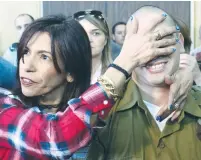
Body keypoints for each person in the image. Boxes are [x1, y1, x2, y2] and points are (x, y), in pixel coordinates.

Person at [0, 14, 182, 159]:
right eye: (25, 52)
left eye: (44, 57)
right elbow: (58, 137)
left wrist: (182, 74)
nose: (27, 66)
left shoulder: (96, 110)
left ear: (70, 72)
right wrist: (126, 62)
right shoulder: (6, 109)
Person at [85, 6, 201, 160]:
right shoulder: (102, 113)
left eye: (161, 39)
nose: (153, 52)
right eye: (141, 44)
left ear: (179, 41)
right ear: (127, 49)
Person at [74, 10, 112, 84]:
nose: (88, 39)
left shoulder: (115, 75)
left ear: (105, 40)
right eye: (82, 33)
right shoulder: (63, 75)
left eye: (95, 33)